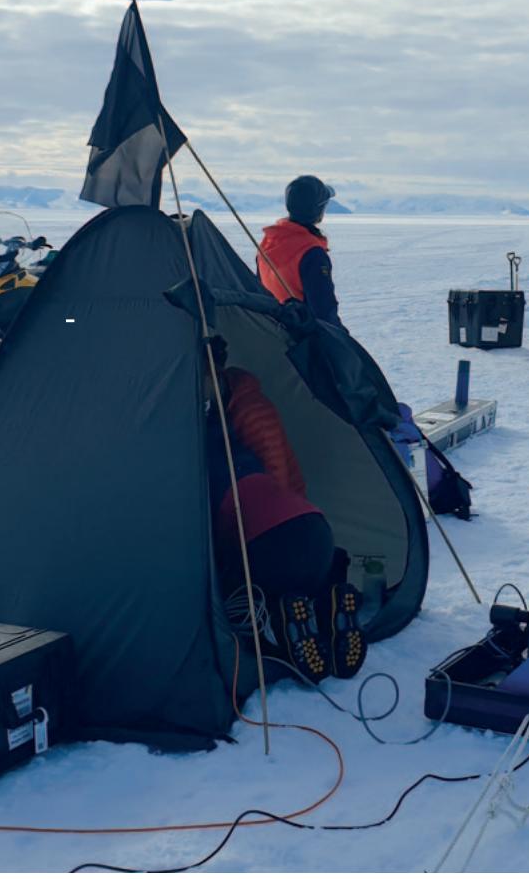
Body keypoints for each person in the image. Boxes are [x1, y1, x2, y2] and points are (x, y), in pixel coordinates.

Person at [202, 337, 363, 682]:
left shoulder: (206, 440)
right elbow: (281, 482)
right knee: (301, 574)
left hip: (271, 542)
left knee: (245, 591)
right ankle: (331, 599)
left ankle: (285, 620)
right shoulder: (232, 432)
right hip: (314, 527)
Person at [258, 175, 340, 327]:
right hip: (302, 340)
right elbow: (324, 313)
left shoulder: (267, 243)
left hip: (274, 334)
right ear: (319, 210)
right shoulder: (312, 253)